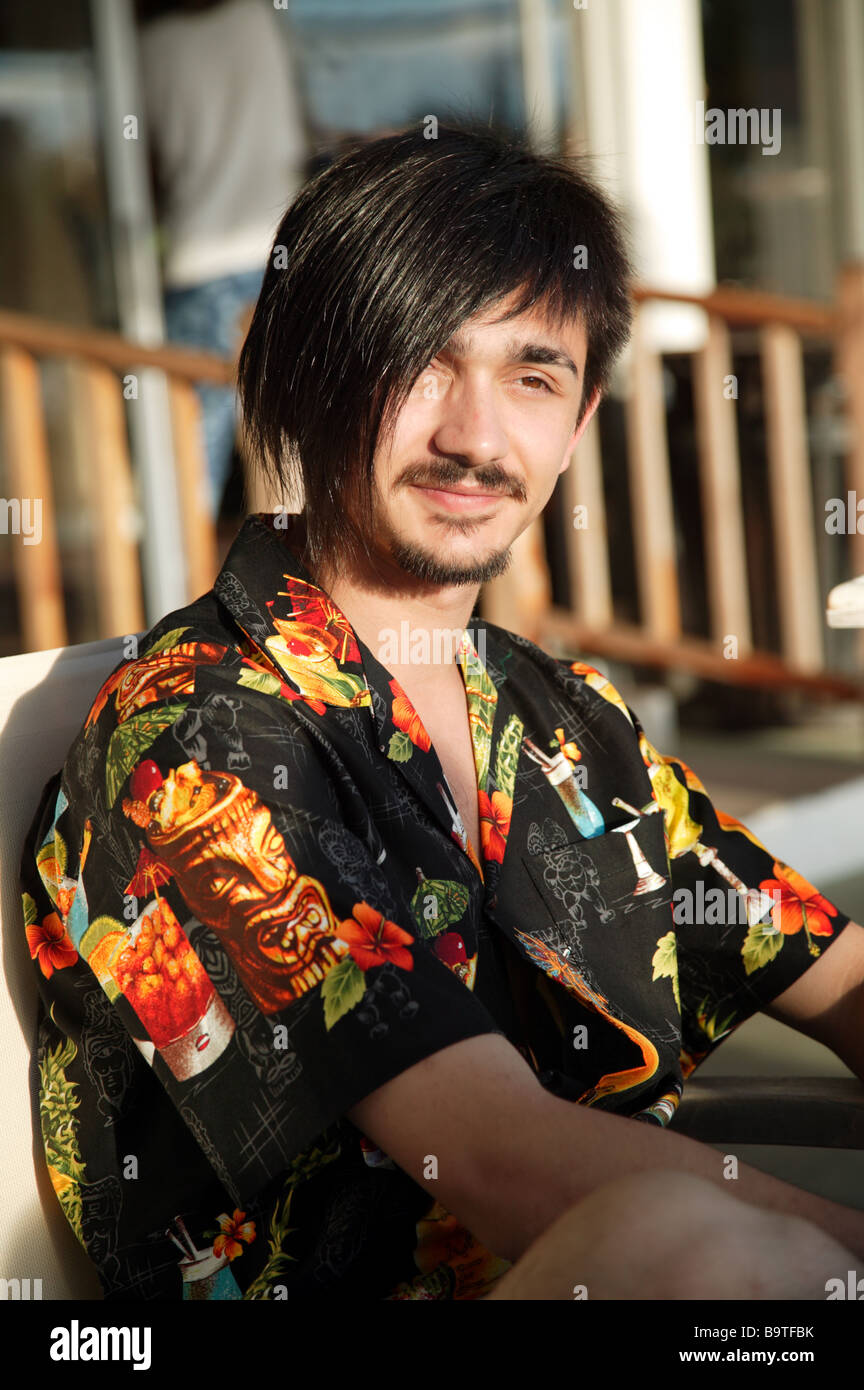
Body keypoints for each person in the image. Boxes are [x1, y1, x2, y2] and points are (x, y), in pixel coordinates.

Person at [20, 122, 864, 1302]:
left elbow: (828, 968)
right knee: (700, 1246)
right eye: (421, 361)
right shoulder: (200, 738)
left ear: (577, 425)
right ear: (309, 373)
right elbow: (494, 1158)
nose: (474, 436)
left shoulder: (556, 715)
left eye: (533, 375)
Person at [137, 0, 308, 518]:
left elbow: (146, 176)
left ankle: (181, 590)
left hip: (198, 261)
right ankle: (296, 592)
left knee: (191, 464)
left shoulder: (146, 48)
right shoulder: (256, 20)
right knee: (287, 457)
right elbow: (299, 127)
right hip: (277, 250)